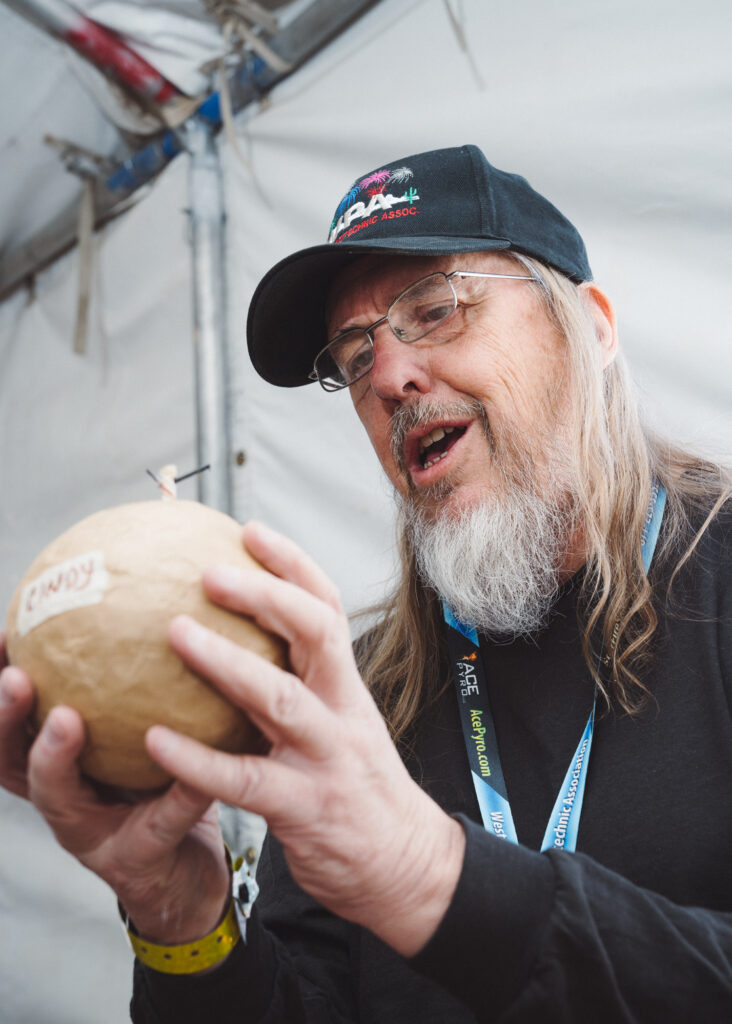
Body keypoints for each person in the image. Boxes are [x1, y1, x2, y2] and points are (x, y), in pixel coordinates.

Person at [1, 144, 731, 1023]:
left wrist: (428, 877)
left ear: (593, 328)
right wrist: (179, 914)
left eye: (435, 309)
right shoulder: (363, 693)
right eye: (353, 358)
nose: (387, 378)